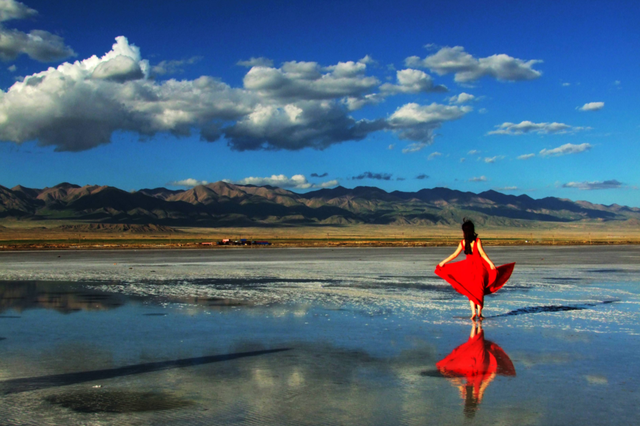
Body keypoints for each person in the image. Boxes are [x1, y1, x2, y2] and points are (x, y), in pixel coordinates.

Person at [435, 219, 515, 319]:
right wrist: (490, 263)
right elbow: (482, 253)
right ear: (472, 230)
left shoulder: (463, 242)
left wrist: (443, 262)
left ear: (464, 231)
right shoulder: (477, 241)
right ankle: (479, 313)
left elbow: (454, 254)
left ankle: (473, 312)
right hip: (479, 268)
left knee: (471, 291)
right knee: (479, 290)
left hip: (468, 269)